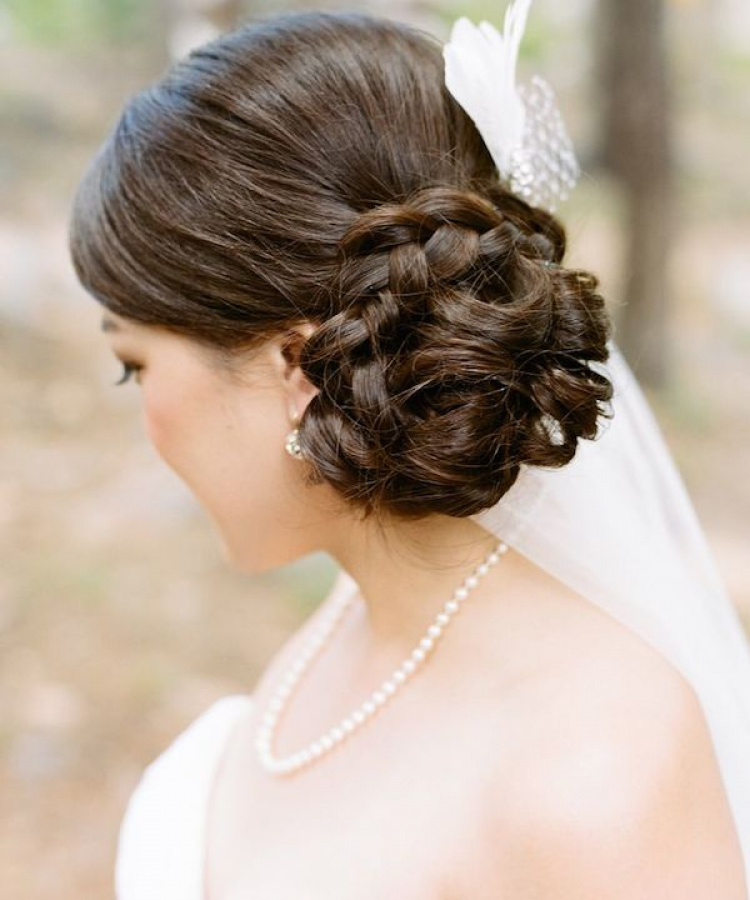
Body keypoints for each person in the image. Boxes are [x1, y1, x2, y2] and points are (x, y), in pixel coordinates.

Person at [67, 8, 750, 899]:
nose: (145, 416)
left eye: (135, 368)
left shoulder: (594, 769)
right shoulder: (364, 614)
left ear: (297, 364)